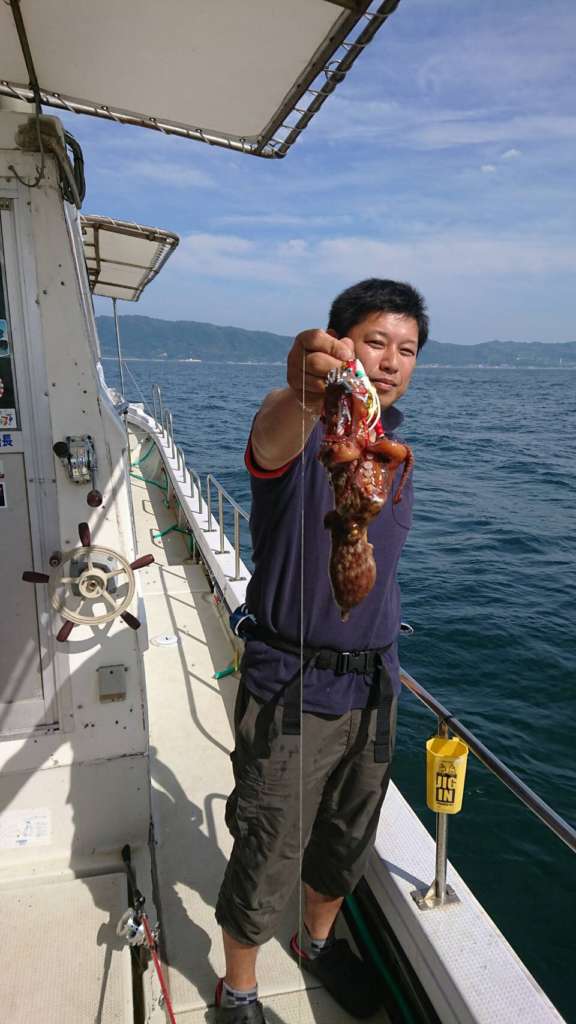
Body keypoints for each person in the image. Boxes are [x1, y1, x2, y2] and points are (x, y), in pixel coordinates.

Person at [215, 279, 429, 1023]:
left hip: (375, 689)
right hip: (293, 691)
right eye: (375, 342)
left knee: (344, 843)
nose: (392, 359)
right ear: (341, 345)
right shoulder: (304, 433)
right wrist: (304, 393)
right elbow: (274, 429)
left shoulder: (390, 449)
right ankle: (238, 989)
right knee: (268, 845)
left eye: (406, 348)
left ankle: (316, 943)